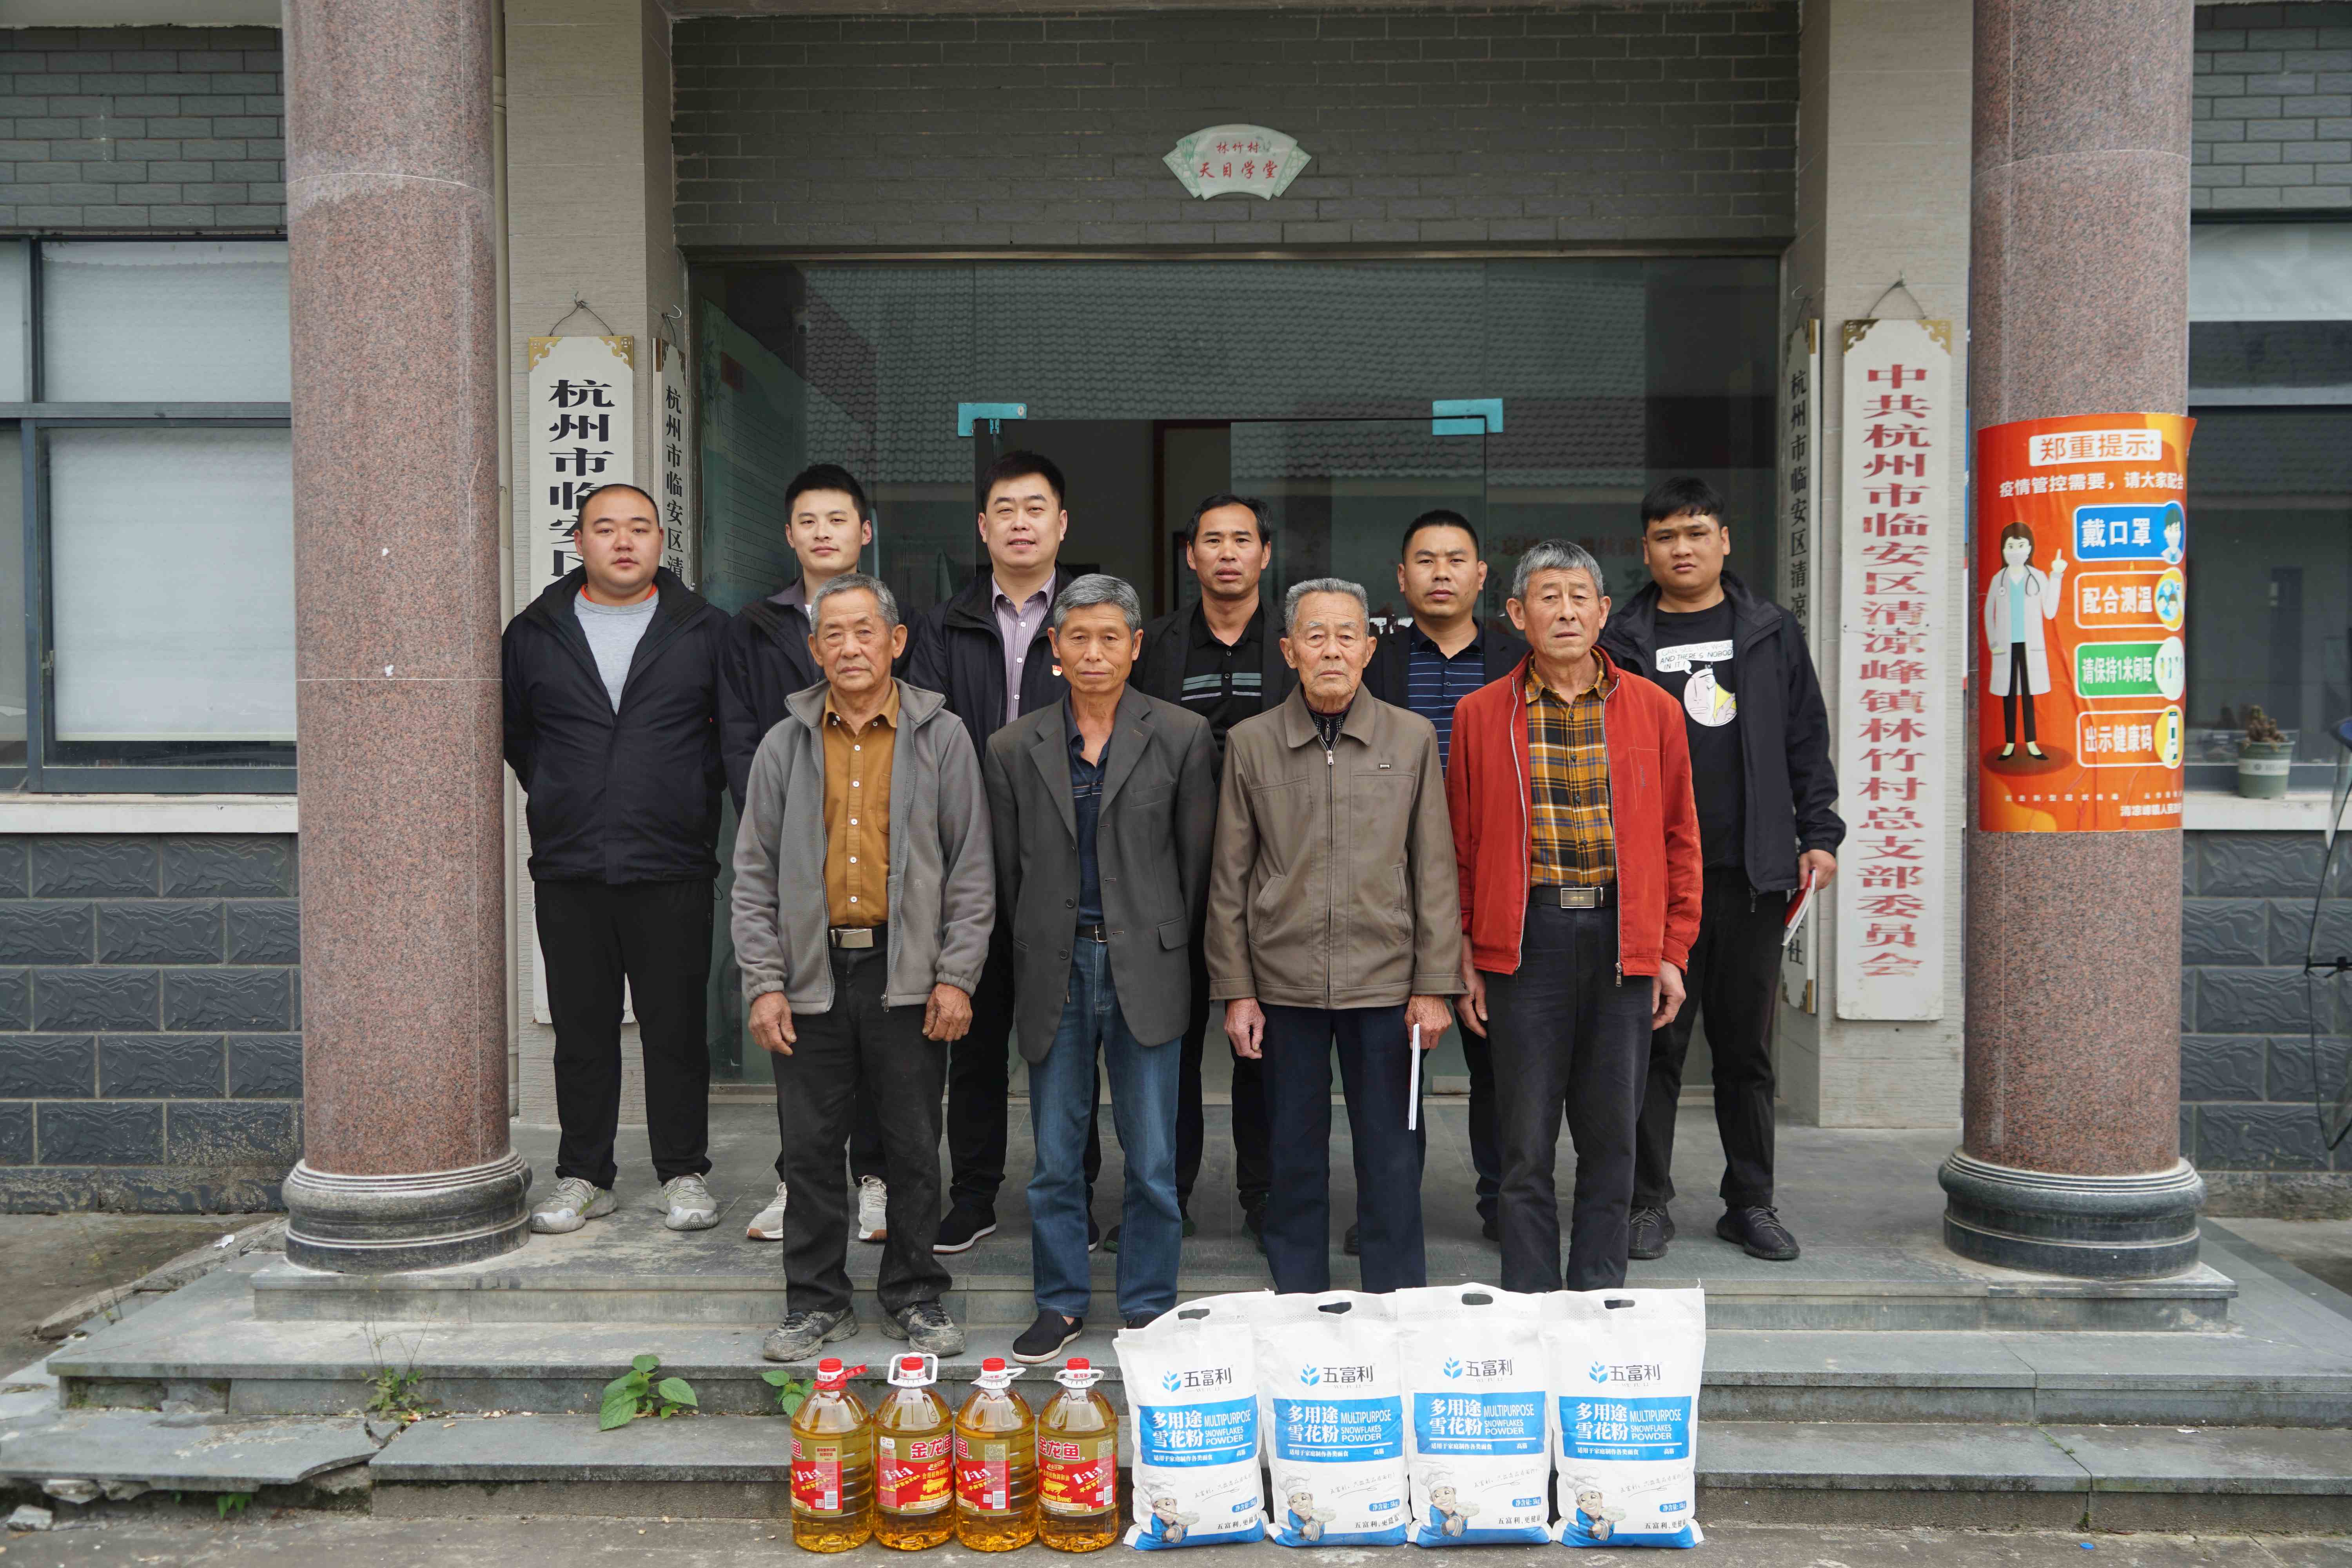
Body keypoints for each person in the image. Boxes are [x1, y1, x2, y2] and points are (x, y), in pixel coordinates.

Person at [732, 573, 993, 1360]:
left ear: (896, 641)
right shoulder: (784, 744)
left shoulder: (942, 737)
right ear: (814, 649)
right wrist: (763, 983)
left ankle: (914, 1293)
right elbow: (752, 874)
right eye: (833, 635)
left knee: (913, 1144)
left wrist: (957, 976)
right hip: (809, 974)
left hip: (904, 970)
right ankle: (815, 1301)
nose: (850, 647)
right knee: (811, 1147)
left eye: (865, 631)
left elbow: (971, 869)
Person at [1598, 478, 1844, 1265]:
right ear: (1646, 549)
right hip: (1654, 882)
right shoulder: (1621, 638)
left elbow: (1806, 737)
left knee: (1745, 1053)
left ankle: (1751, 1202)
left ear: (1724, 541)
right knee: (1653, 1048)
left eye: (1697, 532)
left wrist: (1820, 832)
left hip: (1751, 875)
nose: (1683, 548)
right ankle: (1646, 1202)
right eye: (1666, 536)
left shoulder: (1769, 631)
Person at [1447, 539, 1701, 1293]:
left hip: (1624, 938)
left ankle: (1598, 1295)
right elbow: (1459, 848)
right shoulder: (1479, 716)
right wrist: (1467, 951)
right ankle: (1529, 1298)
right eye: (1548, 597)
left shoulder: (1655, 710)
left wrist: (1672, 951)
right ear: (1517, 614)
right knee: (1524, 1142)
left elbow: (1681, 839)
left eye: (1579, 596)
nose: (1565, 611)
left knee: (1612, 1137)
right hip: (1526, 941)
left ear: (1603, 611)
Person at [1207, 578, 1463, 1294]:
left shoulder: (1410, 738)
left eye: (1347, 635)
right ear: (1289, 650)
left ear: (1369, 649)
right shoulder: (1252, 743)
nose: (1331, 650)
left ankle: (1396, 1300)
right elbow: (1230, 876)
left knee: (1392, 1153)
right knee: (1291, 1153)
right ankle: (1299, 1299)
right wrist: (1238, 991)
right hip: (1283, 985)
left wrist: (1433, 986)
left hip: (1387, 983)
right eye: (1314, 636)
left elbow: (1434, 868)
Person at [985, 575, 1218, 1357]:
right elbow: (1008, 872)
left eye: (1110, 637)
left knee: (1151, 1157)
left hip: (1146, 964)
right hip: (1054, 964)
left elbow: (1196, 866)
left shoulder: (1182, 736)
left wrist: (1164, 942)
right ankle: (1060, 1302)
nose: (1094, 652)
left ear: (1135, 645)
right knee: (1056, 1157)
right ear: (1054, 647)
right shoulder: (1013, 747)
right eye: (1078, 637)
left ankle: (1148, 1304)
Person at [502, 482, 731, 1236]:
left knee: (676, 1030)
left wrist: (680, 792)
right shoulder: (534, 633)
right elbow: (519, 736)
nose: (624, 542)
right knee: (582, 1031)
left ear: (662, 541)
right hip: (570, 865)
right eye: (606, 528)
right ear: (579, 541)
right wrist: (568, 791)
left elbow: (726, 739)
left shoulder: (704, 630)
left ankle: (683, 1173)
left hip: (673, 863)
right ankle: (584, 1176)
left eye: (639, 528)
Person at [904, 449, 1087, 1254]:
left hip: (1063, 858)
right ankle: (974, 1192)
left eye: (1035, 508)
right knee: (972, 1038)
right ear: (983, 527)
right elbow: (928, 739)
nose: (1020, 523)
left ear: (1061, 524)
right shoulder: (944, 624)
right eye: (1005, 510)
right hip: (966, 861)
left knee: (1067, 1039)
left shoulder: (1090, 618)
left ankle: (1072, 1190)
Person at [719, 463, 895, 1249]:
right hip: (796, 853)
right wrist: (774, 822)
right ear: (789, 535)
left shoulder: (890, 619)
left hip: (876, 853)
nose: (824, 532)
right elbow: (737, 734)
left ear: (865, 531)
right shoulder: (756, 627)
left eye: (838, 518)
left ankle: (876, 1179)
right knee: (804, 1040)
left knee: (881, 1042)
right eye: (809, 521)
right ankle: (798, 1179)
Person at [1130, 493, 1296, 1250]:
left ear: (1266, 554)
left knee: (1265, 1044)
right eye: (1212, 541)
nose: (1228, 553)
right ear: (1190, 555)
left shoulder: (1295, 640)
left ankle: (1266, 1194)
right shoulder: (1155, 645)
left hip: (1275, 871)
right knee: (1170, 1042)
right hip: (1172, 867)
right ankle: (1168, 1193)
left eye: (1242, 540)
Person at [1360, 508, 1528, 1248]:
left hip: (1496, 872)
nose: (1441, 573)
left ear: (1482, 576)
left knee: (1500, 1054)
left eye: (1456, 559)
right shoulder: (1376, 658)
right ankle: (1389, 1207)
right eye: (1425, 560)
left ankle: (1503, 1201)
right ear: (1402, 578)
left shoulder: (1519, 658)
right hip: (1391, 876)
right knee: (1392, 1058)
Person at [1983, 521, 2065, 761]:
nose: (2016, 551)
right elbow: (1989, 612)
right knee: (2008, 695)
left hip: (2031, 646)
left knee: (2029, 695)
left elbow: (2050, 611)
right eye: (2010, 546)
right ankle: (2009, 743)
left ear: (2030, 549)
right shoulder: (1998, 579)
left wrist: (2057, 576)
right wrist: (1993, 643)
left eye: (2021, 546)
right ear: (2003, 550)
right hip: (2005, 646)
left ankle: (2031, 743)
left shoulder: (2038, 577)